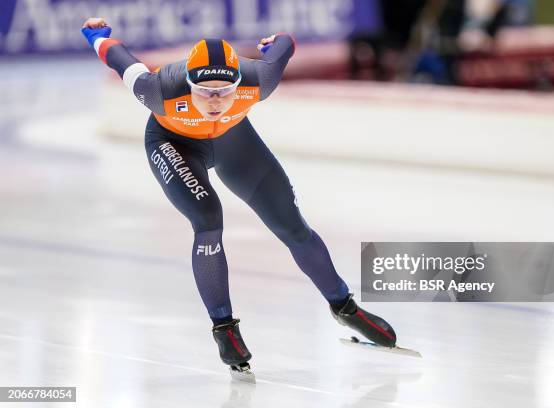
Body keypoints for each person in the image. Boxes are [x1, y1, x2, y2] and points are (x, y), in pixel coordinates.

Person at [81, 17, 397, 373]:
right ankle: (224, 329)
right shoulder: (159, 89)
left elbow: (285, 44)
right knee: (208, 219)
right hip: (174, 143)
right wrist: (97, 36)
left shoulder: (258, 80)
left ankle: (344, 307)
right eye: (204, 92)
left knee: (292, 226)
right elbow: (122, 60)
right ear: (187, 84)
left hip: (234, 141)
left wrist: (274, 41)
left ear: (238, 84)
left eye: (224, 91)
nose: (215, 101)